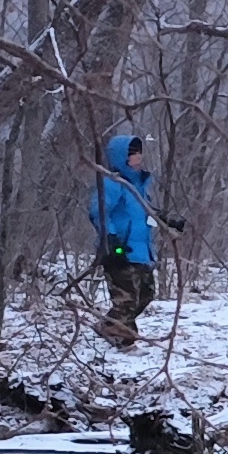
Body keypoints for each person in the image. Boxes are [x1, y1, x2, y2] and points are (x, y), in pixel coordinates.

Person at [88, 131, 182, 342]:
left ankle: (110, 328)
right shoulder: (113, 184)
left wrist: (167, 222)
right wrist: (111, 240)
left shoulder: (139, 186)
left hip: (141, 251)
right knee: (126, 301)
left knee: (146, 296)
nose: (138, 157)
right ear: (122, 157)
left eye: (139, 153)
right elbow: (99, 212)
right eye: (132, 154)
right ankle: (122, 339)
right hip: (120, 251)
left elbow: (145, 215)